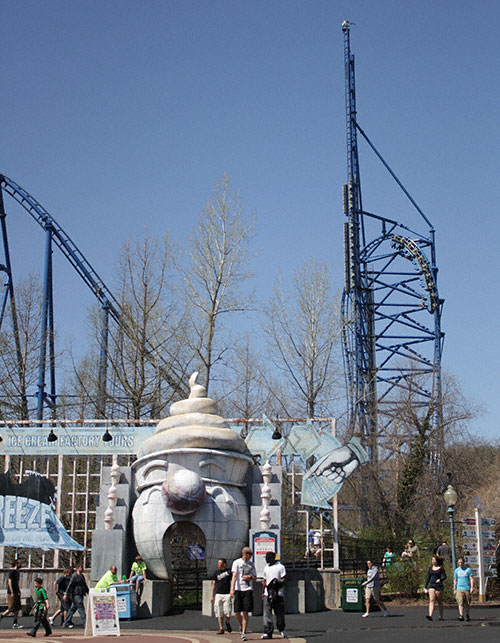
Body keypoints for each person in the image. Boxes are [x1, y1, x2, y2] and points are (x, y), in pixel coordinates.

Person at [231, 546, 257, 641]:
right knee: (237, 611)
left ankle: (244, 632)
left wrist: (250, 577)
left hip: (248, 589)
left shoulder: (251, 564)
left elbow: (255, 577)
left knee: (245, 611)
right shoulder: (237, 562)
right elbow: (234, 576)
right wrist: (232, 589)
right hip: (238, 589)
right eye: (249, 554)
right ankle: (241, 625)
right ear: (245, 554)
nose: (250, 556)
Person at [261, 552, 287, 639]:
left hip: (278, 593)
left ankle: (281, 629)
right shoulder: (266, 568)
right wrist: (263, 592)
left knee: (279, 613)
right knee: (267, 613)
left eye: (267, 558)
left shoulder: (280, 567)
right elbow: (265, 580)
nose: (266, 559)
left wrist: (277, 584)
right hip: (267, 593)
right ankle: (267, 631)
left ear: (272, 558)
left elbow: (284, 578)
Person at [210, 558, 233, 635]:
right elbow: (213, 584)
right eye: (218, 563)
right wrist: (212, 595)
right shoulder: (216, 573)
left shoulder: (229, 572)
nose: (218, 565)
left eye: (220, 563)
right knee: (218, 611)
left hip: (227, 594)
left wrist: (232, 591)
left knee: (227, 611)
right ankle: (221, 628)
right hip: (218, 594)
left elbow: (231, 581)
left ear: (224, 564)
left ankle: (227, 622)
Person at [0, 558, 23, 629]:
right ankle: (1, 616)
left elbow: (17, 582)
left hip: (17, 592)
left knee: (17, 608)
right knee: (11, 608)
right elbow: (9, 582)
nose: (20, 564)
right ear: (16, 564)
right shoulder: (12, 572)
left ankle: (15, 623)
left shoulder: (17, 572)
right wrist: (12, 591)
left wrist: (18, 591)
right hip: (12, 592)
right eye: (19, 563)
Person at [425, 555, 446, 621]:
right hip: (432, 585)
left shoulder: (441, 568)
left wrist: (440, 579)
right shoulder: (430, 568)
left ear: (437, 561)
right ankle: (430, 615)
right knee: (431, 600)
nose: (433, 561)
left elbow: (445, 577)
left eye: (434, 560)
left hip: (438, 586)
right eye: (432, 560)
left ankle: (441, 616)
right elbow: (428, 577)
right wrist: (425, 586)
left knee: (439, 601)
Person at [454, 557, 474, 622]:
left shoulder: (468, 570)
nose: (460, 564)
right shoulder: (456, 570)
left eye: (462, 562)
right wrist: (454, 589)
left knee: (467, 603)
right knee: (460, 602)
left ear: (464, 562)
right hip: (459, 588)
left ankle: (467, 615)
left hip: (466, 588)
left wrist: (472, 587)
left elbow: (471, 578)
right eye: (459, 562)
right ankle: (461, 615)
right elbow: (455, 580)